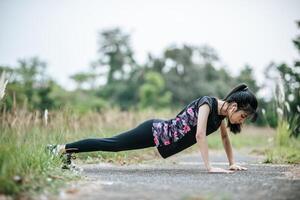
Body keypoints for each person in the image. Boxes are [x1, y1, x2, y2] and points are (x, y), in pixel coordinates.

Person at [48, 83, 258, 173]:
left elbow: (225, 139)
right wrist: (210, 168)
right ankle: (58, 148)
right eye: (242, 115)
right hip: (154, 130)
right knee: (112, 144)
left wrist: (232, 163)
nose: (241, 120)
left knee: (112, 145)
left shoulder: (220, 116)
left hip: (161, 137)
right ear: (233, 106)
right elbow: (200, 134)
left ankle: (62, 152)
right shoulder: (207, 103)